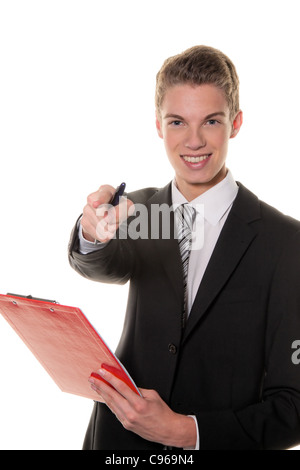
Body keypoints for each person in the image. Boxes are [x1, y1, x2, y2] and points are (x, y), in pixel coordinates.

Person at [68, 45, 300, 450]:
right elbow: (103, 264)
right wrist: (93, 232)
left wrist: (186, 432)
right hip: (116, 445)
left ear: (236, 123)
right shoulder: (137, 211)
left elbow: (293, 409)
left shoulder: (285, 243)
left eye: (211, 121)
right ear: (159, 125)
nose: (193, 141)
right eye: (177, 122)